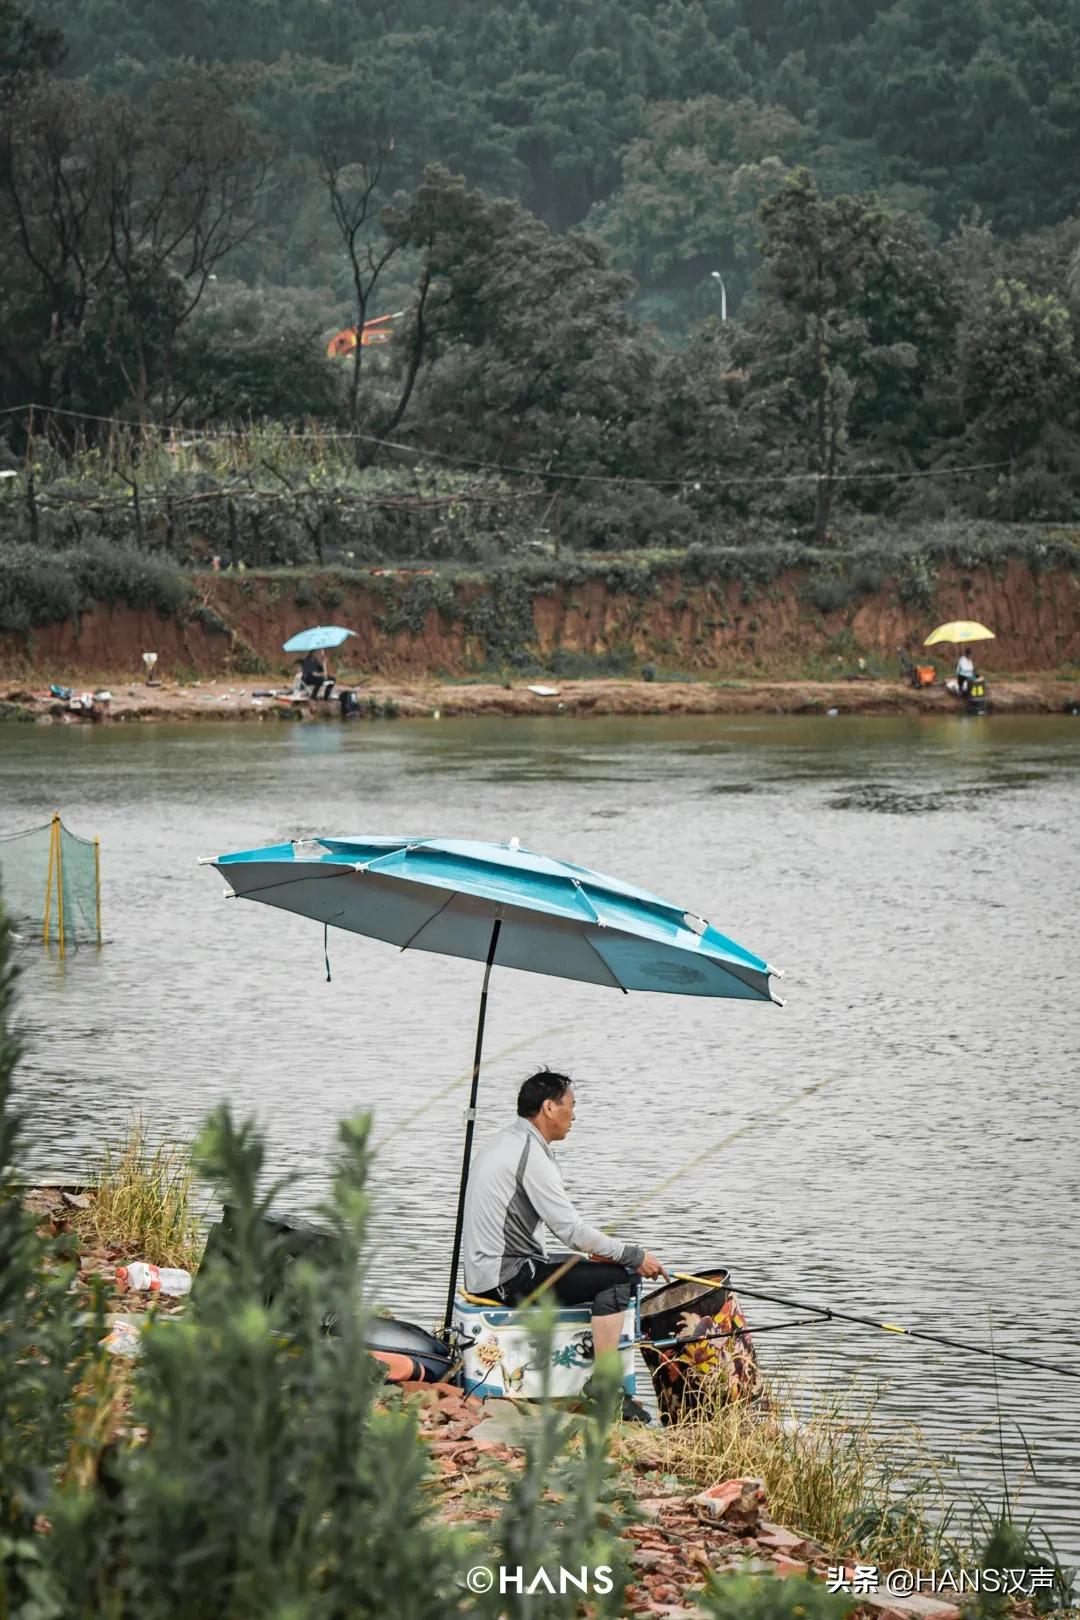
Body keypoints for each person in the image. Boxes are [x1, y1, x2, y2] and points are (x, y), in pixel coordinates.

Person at [462, 1069, 668, 1408]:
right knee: (616, 1280)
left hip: (491, 1273)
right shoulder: (531, 1155)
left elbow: (569, 1240)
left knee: (588, 1265)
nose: (574, 1115)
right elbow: (571, 1231)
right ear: (548, 1108)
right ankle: (606, 1389)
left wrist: (601, 1255)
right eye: (571, 1105)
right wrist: (632, 1255)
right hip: (506, 1279)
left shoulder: (508, 1140)